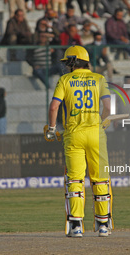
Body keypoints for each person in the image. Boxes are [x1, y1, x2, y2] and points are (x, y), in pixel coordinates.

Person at [44, 45, 113, 237]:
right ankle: (103, 225)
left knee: (75, 179)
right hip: (96, 134)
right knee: (100, 179)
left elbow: (53, 108)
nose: (66, 66)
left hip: (73, 134)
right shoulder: (99, 79)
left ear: (74, 62)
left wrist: (51, 129)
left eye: (68, 62)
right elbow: (108, 107)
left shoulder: (65, 80)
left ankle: (76, 226)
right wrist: (102, 124)